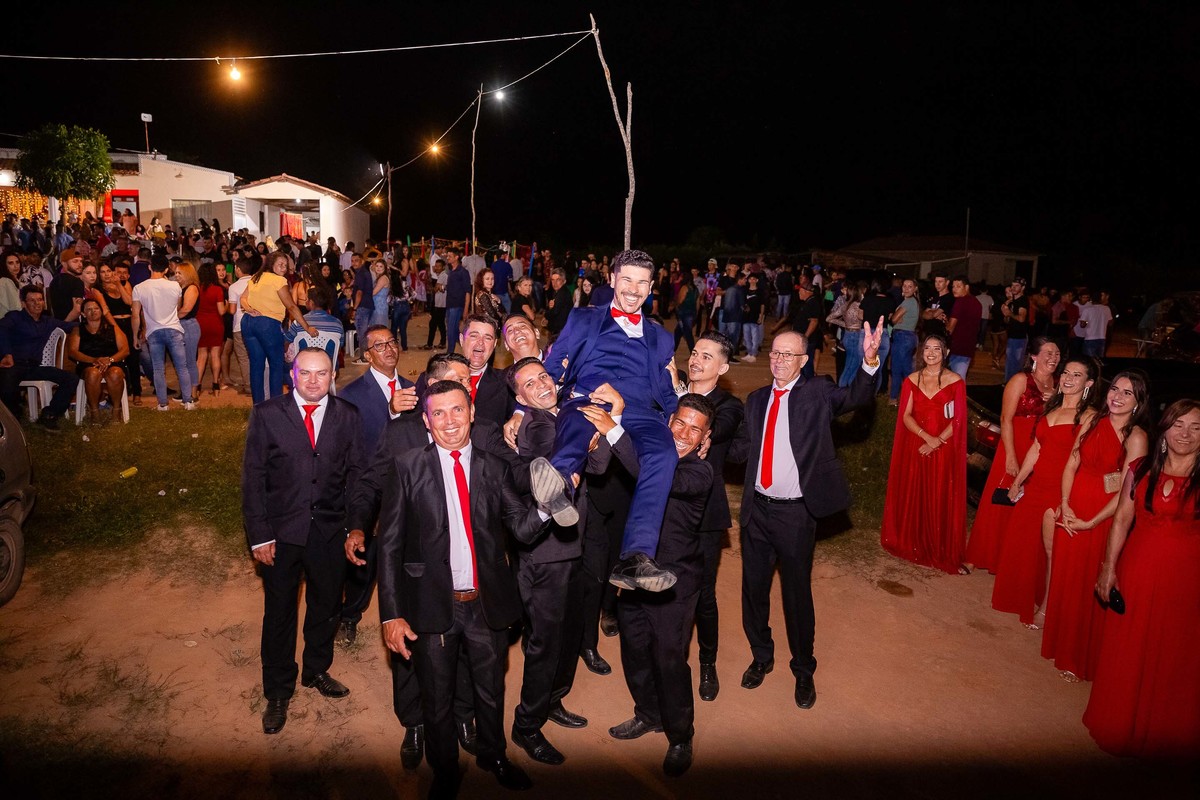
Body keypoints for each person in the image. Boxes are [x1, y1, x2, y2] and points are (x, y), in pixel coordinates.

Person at [377, 379, 548, 798]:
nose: (449, 421)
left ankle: (494, 756)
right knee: (436, 699)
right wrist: (391, 614)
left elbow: (520, 528)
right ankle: (445, 770)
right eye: (438, 413)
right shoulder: (407, 467)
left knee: (490, 691)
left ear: (472, 413)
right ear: (426, 420)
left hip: (485, 604)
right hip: (432, 605)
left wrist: (549, 505)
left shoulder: (494, 467)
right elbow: (390, 546)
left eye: (457, 410)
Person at [728, 320, 883, 708]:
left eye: (788, 354)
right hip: (757, 512)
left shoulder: (818, 392)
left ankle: (802, 669)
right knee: (753, 591)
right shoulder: (757, 400)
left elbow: (856, 398)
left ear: (803, 360)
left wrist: (869, 361)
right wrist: (705, 441)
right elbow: (740, 450)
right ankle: (761, 657)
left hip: (795, 515)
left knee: (796, 596)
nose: (779, 359)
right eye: (775, 352)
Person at [536, 250, 682, 593]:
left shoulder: (662, 336)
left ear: (651, 287)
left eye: (642, 282)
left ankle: (636, 556)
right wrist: (524, 405)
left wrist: (680, 412)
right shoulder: (582, 318)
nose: (633, 289)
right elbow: (553, 366)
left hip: (643, 411)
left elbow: (666, 388)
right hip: (590, 397)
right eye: (627, 279)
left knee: (664, 453)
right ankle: (557, 485)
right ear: (613, 279)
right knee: (580, 421)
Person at [592, 391, 714, 778]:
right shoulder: (654, 449)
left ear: (705, 438)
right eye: (679, 423)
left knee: (668, 659)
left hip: (674, 583)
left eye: (695, 430)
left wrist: (614, 431)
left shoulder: (698, 473)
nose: (684, 434)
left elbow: (651, 473)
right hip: (635, 576)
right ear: (668, 422)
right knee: (634, 650)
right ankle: (648, 714)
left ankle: (680, 735)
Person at [243, 348, 365, 735]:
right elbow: (253, 478)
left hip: (329, 531)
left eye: (322, 373)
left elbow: (357, 476)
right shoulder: (267, 414)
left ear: (333, 376)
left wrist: (355, 526)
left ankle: (316, 669)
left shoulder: (348, 415)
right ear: (292, 375)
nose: (314, 381)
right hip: (281, 533)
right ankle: (278, 690)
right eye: (306, 373)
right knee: (280, 611)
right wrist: (259, 534)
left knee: (326, 605)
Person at [1083, 399, 1200, 758]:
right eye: (1178, 425)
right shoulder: (1141, 467)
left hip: (1186, 584)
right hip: (1137, 572)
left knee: (1175, 655)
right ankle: (1118, 723)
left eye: (1196, 428)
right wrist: (1108, 568)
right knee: (1129, 649)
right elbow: (1121, 518)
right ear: (1164, 429)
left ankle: (1163, 732)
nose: (1186, 434)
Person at [507, 357, 594, 766]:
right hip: (545, 556)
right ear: (520, 398)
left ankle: (552, 701)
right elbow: (546, 465)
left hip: (571, 548)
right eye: (529, 383)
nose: (541, 384)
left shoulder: (564, 413)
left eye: (543, 375)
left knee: (569, 635)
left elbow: (598, 462)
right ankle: (526, 725)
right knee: (545, 644)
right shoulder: (537, 426)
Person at [1042, 372, 1149, 681]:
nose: (1117, 396)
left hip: (1104, 517)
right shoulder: (1092, 421)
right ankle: (1061, 645)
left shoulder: (1136, 437)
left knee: (1087, 584)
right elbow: (1071, 463)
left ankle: (1080, 659)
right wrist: (1065, 502)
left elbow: (1127, 492)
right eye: (1115, 389)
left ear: (1138, 402)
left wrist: (1091, 522)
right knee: (1067, 577)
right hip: (1073, 506)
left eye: (1127, 393)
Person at [992, 357, 1100, 628]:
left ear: (1088, 383)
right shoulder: (1051, 408)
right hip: (1036, 485)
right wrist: (1019, 481)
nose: (1068, 379)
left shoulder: (1089, 416)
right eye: (1066, 373)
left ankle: (1047, 608)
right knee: (1024, 542)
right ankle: (1020, 596)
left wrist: (1067, 499)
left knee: (1052, 551)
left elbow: (1079, 461)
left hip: (1059, 488)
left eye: (1077, 375)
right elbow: (1037, 448)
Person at [337, 324, 419, 643]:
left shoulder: (413, 389)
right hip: (369, 487)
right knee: (365, 557)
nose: (389, 349)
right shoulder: (351, 395)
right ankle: (349, 614)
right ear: (367, 355)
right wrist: (390, 411)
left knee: (404, 556)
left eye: (392, 342)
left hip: (406, 488)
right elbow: (350, 449)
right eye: (379, 345)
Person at [674, 332, 744, 701]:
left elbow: (722, 427)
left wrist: (702, 430)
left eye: (707, 356)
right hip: (664, 506)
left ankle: (707, 662)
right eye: (695, 353)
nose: (696, 360)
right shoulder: (670, 394)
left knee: (702, 593)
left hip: (703, 514)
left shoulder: (728, 406)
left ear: (723, 368)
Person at [965, 338, 1061, 572]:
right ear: (1034, 356)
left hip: (1041, 449)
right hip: (1015, 445)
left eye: (1057, 354)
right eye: (1048, 353)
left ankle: (1009, 558)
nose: (1054, 358)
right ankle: (978, 555)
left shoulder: (1060, 385)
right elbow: (1005, 419)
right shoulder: (1020, 380)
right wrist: (1010, 456)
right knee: (1000, 499)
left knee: (1026, 505)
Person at [881, 333, 968, 573]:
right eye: (927, 348)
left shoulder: (955, 381)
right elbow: (906, 415)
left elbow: (958, 420)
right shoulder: (912, 379)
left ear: (946, 353)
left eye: (936, 349)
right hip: (916, 445)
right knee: (915, 491)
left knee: (938, 493)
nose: (930, 353)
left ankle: (938, 547)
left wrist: (937, 441)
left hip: (943, 448)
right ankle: (913, 542)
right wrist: (926, 437)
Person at [240, 252, 317, 404]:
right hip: (267, 324)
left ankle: (258, 406)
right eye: (280, 264)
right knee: (276, 365)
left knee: (256, 366)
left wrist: (248, 309)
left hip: (248, 323)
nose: (283, 268)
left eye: (285, 265)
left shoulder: (256, 277)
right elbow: (291, 306)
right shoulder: (279, 280)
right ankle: (276, 405)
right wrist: (307, 327)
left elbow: (243, 298)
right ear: (271, 264)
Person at [0, 285, 79, 430]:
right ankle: (13, 421)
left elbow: (70, 325)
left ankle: (49, 415)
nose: (37, 303)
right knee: (7, 381)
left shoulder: (48, 321)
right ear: (23, 303)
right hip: (13, 364)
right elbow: (1, 329)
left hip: (33, 367)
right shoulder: (14, 317)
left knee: (71, 379)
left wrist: (92, 320)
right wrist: (7, 354)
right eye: (32, 300)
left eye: (40, 300)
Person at [132, 258, 196, 412]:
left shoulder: (139, 288)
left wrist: (135, 336)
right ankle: (188, 401)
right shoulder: (175, 286)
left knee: (158, 369)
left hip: (154, 332)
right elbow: (177, 307)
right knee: (182, 367)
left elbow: (135, 315)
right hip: (174, 329)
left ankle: (163, 404)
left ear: (150, 267)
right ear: (167, 270)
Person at [66, 298, 129, 424]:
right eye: (89, 309)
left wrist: (110, 360)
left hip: (111, 362)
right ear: (83, 314)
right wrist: (94, 360)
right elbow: (72, 351)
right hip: (88, 364)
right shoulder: (78, 330)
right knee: (92, 374)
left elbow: (125, 350)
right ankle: (95, 412)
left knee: (115, 373)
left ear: (101, 311)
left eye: (96, 308)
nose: (93, 311)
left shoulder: (113, 328)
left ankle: (116, 411)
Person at [194, 263, 227, 396]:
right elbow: (221, 311)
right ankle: (215, 386)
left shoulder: (196, 289)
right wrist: (226, 305)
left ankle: (197, 387)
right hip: (215, 324)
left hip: (200, 324)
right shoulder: (217, 290)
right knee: (215, 355)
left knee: (201, 356)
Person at [827, 280, 866, 387]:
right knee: (852, 365)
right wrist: (846, 324)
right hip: (855, 336)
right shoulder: (859, 306)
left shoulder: (846, 305)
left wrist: (845, 324)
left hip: (847, 336)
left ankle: (846, 389)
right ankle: (844, 390)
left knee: (850, 364)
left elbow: (829, 318)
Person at [887, 278, 920, 405]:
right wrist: (896, 317)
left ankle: (893, 398)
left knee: (896, 369)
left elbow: (893, 319)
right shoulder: (912, 302)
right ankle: (911, 397)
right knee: (906, 370)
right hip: (908, 337)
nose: (906, 288)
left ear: (915, 288)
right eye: (904, 286)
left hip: (902, 337)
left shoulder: (908, 302)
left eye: (910, 286)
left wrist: (893, 317)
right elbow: (896, 318)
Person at [946, 276, 983, 379]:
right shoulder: (977, 303)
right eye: (953, 286)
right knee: (959, 378)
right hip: (968, 347)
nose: (954, 289)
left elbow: (951, 327)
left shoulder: (960, 302)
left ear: (966, 287)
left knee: (956, 380)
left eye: (958, 286)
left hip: (957, 346)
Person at [1000, 277, 1030, 381]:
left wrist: (1009, 314)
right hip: (1012, 335)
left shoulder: (1022, 300)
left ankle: (1013, 384)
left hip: (1019, 337)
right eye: (1012, 285)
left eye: (1017, 286)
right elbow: (1008, 320)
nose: (1013, 288)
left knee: (1015, 364)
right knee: (1010, 362)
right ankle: (1008, 383)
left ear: (1023, 288)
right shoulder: (1013, 301)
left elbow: (1021, 318)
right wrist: (1006, 315)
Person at [444, 249, 472, 355]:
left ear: (456, 257)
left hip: (457, 305)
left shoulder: (463, 272)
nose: (448, 258)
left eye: (450, 256)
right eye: (447, 256)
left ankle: (450, 354)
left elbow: (468, 292)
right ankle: (467, 348)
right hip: (450, 305)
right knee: (453, 331)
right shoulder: (451, 271)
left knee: (451, 331)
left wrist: (466, 309)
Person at [1074, 288, 1113, 358]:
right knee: (1099, 359)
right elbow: (1110, 323)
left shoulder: (1087, 310)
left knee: (1089, 360)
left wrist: (1087, 321)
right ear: (1100, 299)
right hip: (1102, 338)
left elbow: (1082, 325)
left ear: (1091, 299)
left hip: (1090, 338)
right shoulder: (1106, 309)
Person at [423, 258, 449, 351]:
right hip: (441, 304)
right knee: (441, 324)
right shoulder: (442, 275)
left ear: (443, 267)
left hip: (440, 304)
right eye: (436, 266)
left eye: (439, 266)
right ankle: (442, 343)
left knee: (433, 324)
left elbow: (436, 289)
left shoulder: (442, 276)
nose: (436, 268)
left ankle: (430, 344)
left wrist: (434, 288)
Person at [741, 273, 766, 361]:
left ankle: (754, 353)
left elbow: (762, 304)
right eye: (750, 279)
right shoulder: (745, 290)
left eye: (753, 279)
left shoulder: (760, 291)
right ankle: (749, 352)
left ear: (757, 280)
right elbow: (742, 303)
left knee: (755, 336)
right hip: (746, 317)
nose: (752, 281)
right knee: (746, 336)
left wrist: (761, 315)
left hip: (755, 316)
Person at [544, 269, 572, 340]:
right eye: (553, 280)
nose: (555, 283)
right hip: (559, 330)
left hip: (559, 332)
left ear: (564, 281)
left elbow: (554, 312)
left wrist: (546, 315)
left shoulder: (562, 293)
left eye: (558, 280)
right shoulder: (559, 292)